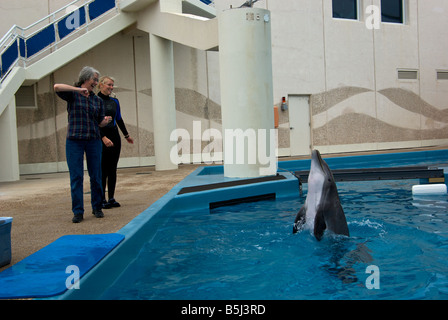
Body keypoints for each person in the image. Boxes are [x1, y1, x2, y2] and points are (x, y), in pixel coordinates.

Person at [54, 66, 112, 223]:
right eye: (94, 79)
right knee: (77, 177)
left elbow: (99, 122)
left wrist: (105, 121)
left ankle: (97, 207)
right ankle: (78, 211)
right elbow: (57, 87)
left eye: (96, 80)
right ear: (85, 78)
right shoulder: (73, 94)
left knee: (96, 176)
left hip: (93, 140)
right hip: (74, 140)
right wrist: (78, 90)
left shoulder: (97, 100)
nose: (95, 82)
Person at [97, 76, 134, 209]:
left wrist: (126, 135)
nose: (111, 87)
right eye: (109, 85)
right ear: (101, 85)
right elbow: (94, 122)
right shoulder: (95, 100)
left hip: (114, 136)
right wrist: (103, 138)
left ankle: (111, 198)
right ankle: (101, 199)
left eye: (113, 85)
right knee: (103, 169)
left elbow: (119, 119)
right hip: (101, 137)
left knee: (112, 168)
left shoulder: (115, 101)